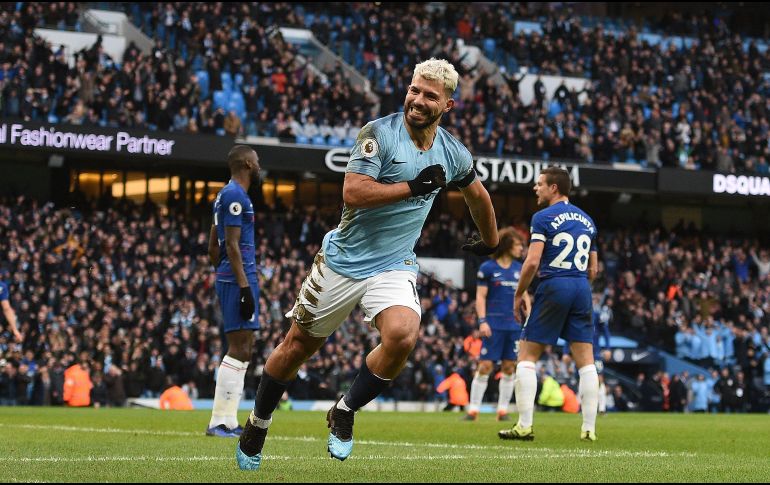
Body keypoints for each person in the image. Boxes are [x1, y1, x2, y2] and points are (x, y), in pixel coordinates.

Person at [236, 58, 499, 471]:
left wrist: (491, 240)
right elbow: (353, 192)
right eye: (414, 89)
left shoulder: (452, 151)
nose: (417, 99)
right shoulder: (379, 133)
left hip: (394, 263)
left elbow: (478, 196)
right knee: (297, 348)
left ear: (448, 105)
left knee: (403, 335)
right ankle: (258, 422)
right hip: (343, 261)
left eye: (430, 95)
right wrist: (413, 187)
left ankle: (344, 409)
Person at [499, 166, 600, 442]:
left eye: (540, 184)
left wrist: (519, 293)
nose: (536, 188)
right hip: (581, 287)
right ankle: (589, 428)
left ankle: (524, 425)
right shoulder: (589, 221)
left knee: (527, 357)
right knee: (587, 363)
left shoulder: (543, 217)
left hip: (555, 284)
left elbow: (532, 261)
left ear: (554, 188)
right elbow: (594, 270)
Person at [205, 145, 261, 437]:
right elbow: (230, 245)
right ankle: (218, 420)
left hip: (234, 275)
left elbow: (213, 245)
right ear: (249, 164)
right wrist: (241, 285)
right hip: (240, 277)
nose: (260, 166)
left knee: (245, 348)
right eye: (257, 162)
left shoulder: (225, 195)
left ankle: (228, 420)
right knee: (239, 347)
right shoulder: (235, 196)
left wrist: (223, 272)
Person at [465, 228, 529, 421]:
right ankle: (473, 410)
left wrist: (529, 319)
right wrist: (482, 321)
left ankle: (502, 410)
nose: (521, 249)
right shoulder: (487, 268)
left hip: (513, 326)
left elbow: (525, 296)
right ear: (508, 245)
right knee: (485, 366)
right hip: (493, 325)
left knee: (510, 367)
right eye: (518, 245)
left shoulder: (520, 269)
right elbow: (480, 297)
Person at [0, 271, 23, 343]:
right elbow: (6, 309)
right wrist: (15, 330)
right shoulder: (1, 287)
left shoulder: (2, 287)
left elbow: (6, 309)